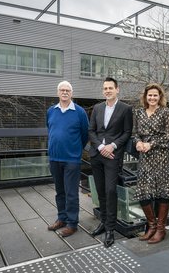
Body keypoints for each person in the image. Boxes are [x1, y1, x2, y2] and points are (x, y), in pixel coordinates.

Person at [88, 77, 133, 248]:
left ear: (117, 89)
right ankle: (104, 222)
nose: (107, 91)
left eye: (110, 88)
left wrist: (112, 146)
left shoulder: (125, 109)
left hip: (113, 156)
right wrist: (100, 147)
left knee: (111, 190)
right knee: (100, 191)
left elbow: (127, 132)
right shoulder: (98, 108)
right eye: (105, 88)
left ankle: (110, 230)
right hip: (97, 154)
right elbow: (91, 130)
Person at [132, 83, 169, 244]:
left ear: (160, 97)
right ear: (145, 97)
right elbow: (135, 133)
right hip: (145, 157)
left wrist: (151, 144)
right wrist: (138, 142)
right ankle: (151, 226)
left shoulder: (166, 112)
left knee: (162, 192)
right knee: (143, 192)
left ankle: (161, 229)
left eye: (155, 95)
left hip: (162, 157)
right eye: (149, 95)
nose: (152, 98)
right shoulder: (138, 112)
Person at [46, 80, 89, 237]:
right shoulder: (51, 111)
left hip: (72, 159)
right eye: (62, 90)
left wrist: (75, 150)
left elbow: (85, 134)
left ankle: (72, 223)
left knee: (71, 192)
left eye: (67, 90)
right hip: (54, 158)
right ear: (58, 92)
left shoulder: (79, 112)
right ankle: (61, 218)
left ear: (72, 93)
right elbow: (50, 129)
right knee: (60, 191)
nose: (64, 92)